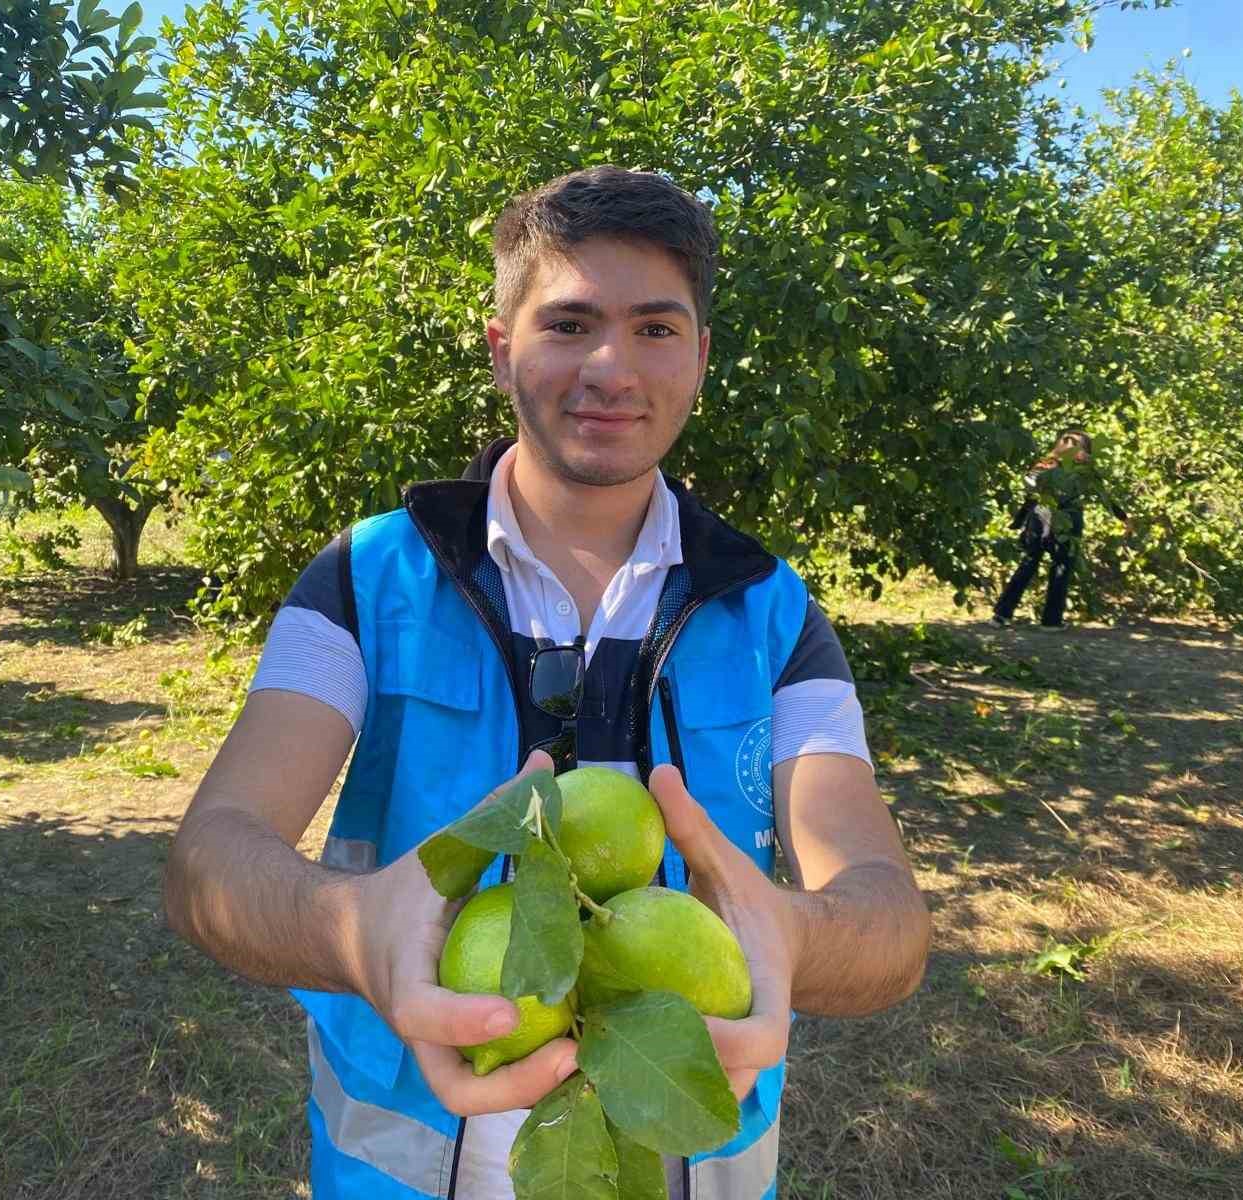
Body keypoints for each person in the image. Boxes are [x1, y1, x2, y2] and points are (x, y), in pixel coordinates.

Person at [162, 166, 931, 1200]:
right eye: (568, 323)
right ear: (500, 348)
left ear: (701, 360)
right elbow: (211, 857)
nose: (611, 366)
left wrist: (792, 934)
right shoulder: (365, 578)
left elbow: (886, 914)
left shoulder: (769, 610)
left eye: (656, 329)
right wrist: (353, 935)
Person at [991, 429, 1129, 630]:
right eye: (1074, 446)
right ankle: (1002, 614)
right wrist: (1020, 520)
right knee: (1030, 563)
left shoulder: (1084, 472)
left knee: (1060, 568)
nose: (1079, 452)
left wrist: (1124, 517)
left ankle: (1051, 619)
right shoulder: (1047, 464)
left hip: (1067, 520)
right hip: (1044, 517)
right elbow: (1031, 489)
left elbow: (1103, 495)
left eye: (1082, 448)